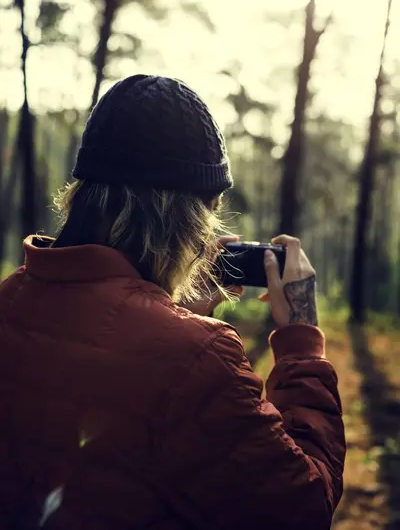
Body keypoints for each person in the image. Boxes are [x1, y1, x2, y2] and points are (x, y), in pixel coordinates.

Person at [0, 75, 345, 530]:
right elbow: (302, 506)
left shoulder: (12, 296)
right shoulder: (195, 357)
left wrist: (179, 316)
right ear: (186, 220)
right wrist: (300, 342)